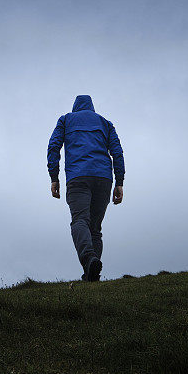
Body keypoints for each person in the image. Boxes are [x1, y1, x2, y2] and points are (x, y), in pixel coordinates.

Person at [47, 95, 125, 281]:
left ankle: (89, 258)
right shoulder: (105, 123)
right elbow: (117, 152)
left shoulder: (66, 120)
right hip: (104, 179)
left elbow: (53, 146)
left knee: (79, 220)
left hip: (78, 177)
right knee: (95, 229)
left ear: (75, 107)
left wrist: (54, 177)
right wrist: (119, 181)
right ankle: (91, 274)